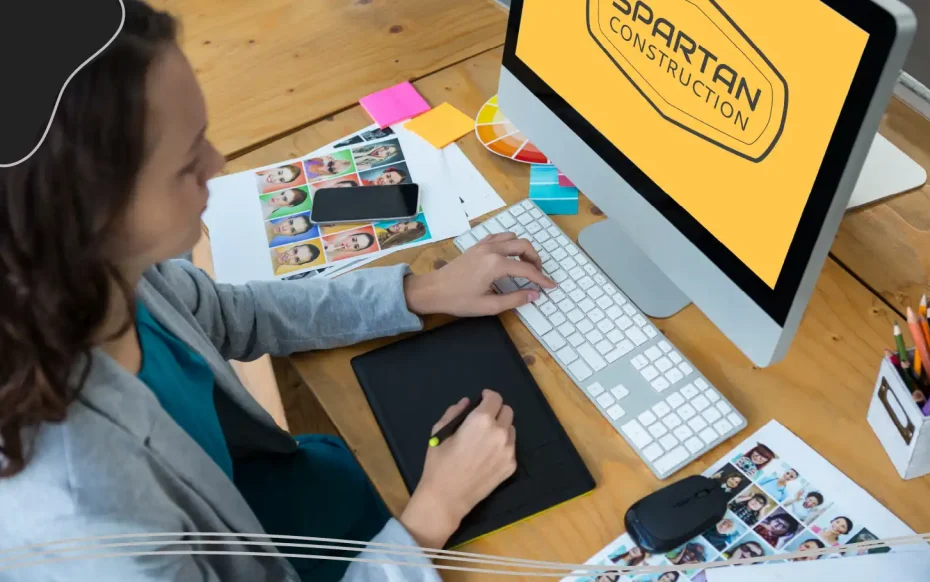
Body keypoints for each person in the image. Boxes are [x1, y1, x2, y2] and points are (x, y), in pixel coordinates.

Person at [0, 3, 558, 582]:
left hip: (284, 505)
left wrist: (422, 290)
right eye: (188, 162)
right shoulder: (84, 512)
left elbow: (226, 313)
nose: (216, 166)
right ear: (89, 216)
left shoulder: (99, 275)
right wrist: (432, 515)